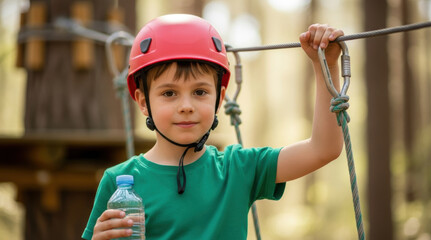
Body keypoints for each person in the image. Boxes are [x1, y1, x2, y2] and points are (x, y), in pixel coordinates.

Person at [82, 14, 344, 240]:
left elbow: (324, 148)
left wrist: (326, 66)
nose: (186, 106)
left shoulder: (238, 169)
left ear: (219, 98)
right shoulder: (119, 184)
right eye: (169, 93)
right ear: (142, 101)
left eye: (199, 92)